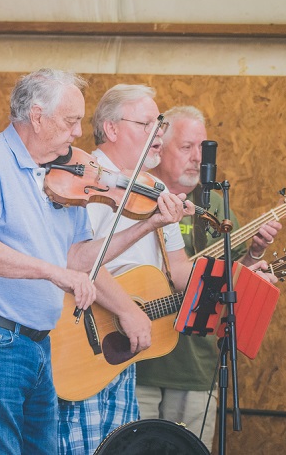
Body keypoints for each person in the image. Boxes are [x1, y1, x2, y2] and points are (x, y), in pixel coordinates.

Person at [0, 69, 166, 453]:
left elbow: (78, 258)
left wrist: (147, 226)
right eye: (71, 120)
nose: (79, 132)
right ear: (37, 116)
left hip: (37, 341)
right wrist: (50, 271)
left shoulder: (64, 174)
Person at [57, 84, 197, 454]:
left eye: (160, 124)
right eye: (148, 123)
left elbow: (179, 270)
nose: (159, 134)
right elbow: (77, 259)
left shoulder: (155, 188)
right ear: (112, 128)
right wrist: (126, 309)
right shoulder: (84, 179)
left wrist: (236, 274)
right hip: (80, 338)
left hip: (123, 350)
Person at [136, 105, 281, 449]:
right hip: (136, 360)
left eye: (203, 148)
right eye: (186, 147)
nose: (197, 158)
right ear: (158, 150)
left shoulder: (214, 205)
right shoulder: (136, 196)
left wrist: (255, 254)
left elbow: (229, 277)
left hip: (194, 366)